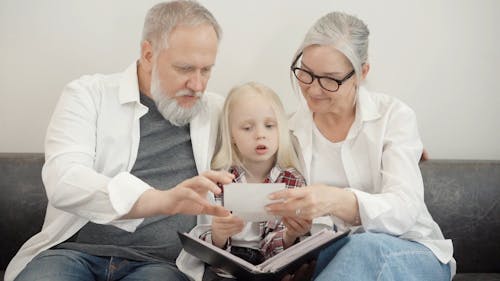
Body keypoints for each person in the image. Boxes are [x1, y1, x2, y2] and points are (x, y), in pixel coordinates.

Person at [5, 1, 233, 281]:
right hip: (74, 253)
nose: (198, 85)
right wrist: (161, 201)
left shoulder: (218, 110)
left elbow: (275, 138)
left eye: (206, 70)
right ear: (148, 54)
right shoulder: (88, 94)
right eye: (185, 69)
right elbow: (64, 180)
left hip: (160, 265)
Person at [266, 11, 455, 281]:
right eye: (305, 73)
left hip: (411, 252)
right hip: (335, 259)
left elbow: (404, 210)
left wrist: (336, 199)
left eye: (330, 79)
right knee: (336, 251)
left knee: (364, 247)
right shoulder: (289, 131)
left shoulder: (393, 117)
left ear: (362, 72)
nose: (314, 90)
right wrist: (292, 232)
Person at [178, 82, 311, 281]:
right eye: (248, 128)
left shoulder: (292, 181)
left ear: (280, 130)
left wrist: (290, 235)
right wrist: (218, 236)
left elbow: (282, 248)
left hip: (272, 269)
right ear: (232, 136)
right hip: (225, 270)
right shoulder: (220, 180)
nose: (260, 134)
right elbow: (204, 243)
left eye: (269, 125)